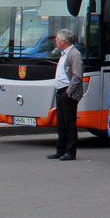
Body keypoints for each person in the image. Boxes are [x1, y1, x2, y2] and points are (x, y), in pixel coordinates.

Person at [48, 29, 84, 161]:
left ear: (63, 41)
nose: (56, 42)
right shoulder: (64, 54)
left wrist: (69, 92)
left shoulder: (74, 54)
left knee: (69, 123)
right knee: (61, 123)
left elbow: (77, 75)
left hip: (68, 92)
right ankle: (61, 149)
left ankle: (70, 151)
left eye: (57, 40)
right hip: (61, 91)